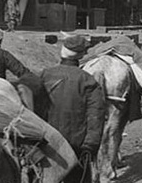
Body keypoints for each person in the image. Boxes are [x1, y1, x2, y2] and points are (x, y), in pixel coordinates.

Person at [40, 35, 106, 183]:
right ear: (81, 55)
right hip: (77, 147)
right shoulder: (87, 80)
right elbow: (96, 117)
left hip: (47, 144)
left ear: (62, 51)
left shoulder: (44, 75)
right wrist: (90, 146)